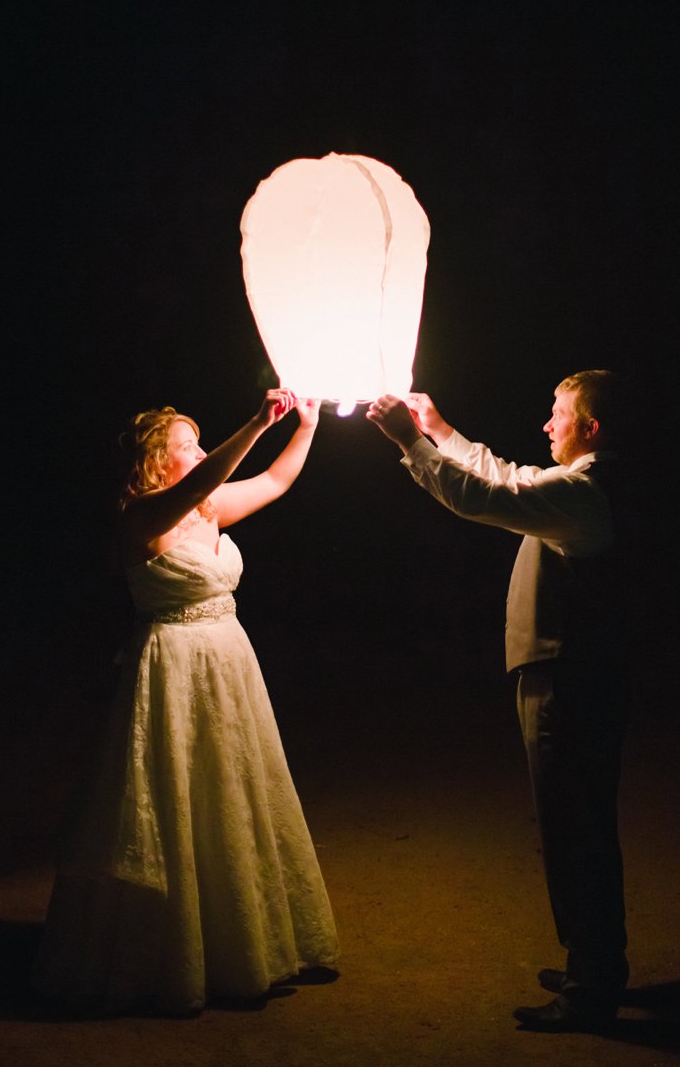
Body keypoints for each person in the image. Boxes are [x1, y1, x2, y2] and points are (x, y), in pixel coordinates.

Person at [32, 387, 339, 1014]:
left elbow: (277, 481)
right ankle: (178, 955)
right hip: (173, 667)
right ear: (155, 462)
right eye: (187, 445)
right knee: (177, 796)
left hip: (228, 660)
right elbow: (216, 475)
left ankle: (243, 940)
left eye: (200, 443)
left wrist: (303, 426)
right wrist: (256, 422)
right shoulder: (144, 515)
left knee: (233, 789)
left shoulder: (206, 509)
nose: (199, 453)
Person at [367, 370, 633, 1033]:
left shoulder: (584, 492)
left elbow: (483, 498)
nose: (547, 425)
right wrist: (439, 430)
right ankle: (592, 963)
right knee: (575, 825)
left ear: (591, 428)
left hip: (567, 678)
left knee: (575, 828)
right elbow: (507, 477)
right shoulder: (581, 485)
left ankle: (591, 983)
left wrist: (412, 444)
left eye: (558, 413)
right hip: (566, 674)